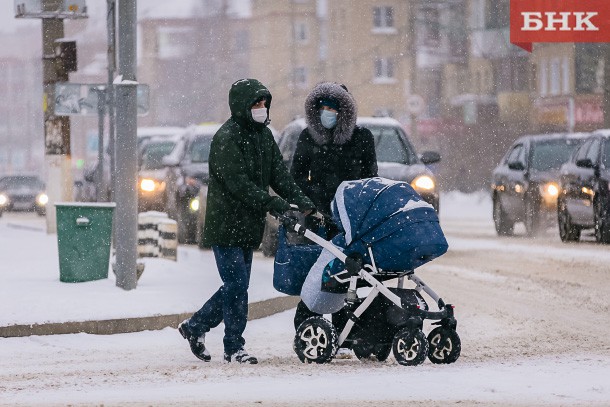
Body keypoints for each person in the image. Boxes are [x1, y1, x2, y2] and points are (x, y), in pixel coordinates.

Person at [178, 78, 315, 364]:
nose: (261, 108)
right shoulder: (226, 138)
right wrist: (275, 204)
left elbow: (279, 175)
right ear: (242, 106)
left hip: (249, 225)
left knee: (235, 286)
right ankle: (233, 347)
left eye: (264, 103)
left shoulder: (264, 137)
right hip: (226, 224)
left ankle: (196, 327)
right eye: (256, 103)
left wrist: (304, 203)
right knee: (237, 285)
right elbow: (239, 184)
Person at [290, 82, 378, 356]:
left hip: (352, 220)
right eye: (323, 107)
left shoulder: (362, 138)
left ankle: (347, 329)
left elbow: (370, 178)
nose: (327, 113)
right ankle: (307, 324)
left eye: (333, 108)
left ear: (345, 111)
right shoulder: (308, 138)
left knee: (352, 274)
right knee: (320, 273)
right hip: (319, 218)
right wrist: (309, 204)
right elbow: (296, 177)